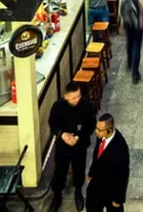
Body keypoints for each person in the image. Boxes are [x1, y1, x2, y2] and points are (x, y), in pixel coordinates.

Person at [49, 81, 97, 212]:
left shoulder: (86, 105)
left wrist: (78, 137)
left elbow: (91, 125)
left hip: (79, 144)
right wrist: (62, 134)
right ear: (66, 97)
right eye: (74, 97)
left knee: (79, 169)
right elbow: (53, 124)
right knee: (60, 171)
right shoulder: (58, 106)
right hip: (63, 145)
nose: (77, 99)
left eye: (79, 96)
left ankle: (78, 192)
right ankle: (57, 195)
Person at [86, 113, 130, 212]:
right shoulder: (101, 136)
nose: (96, 132)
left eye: (99, 130)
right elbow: (97, 155)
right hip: (97, 184)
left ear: (109, 130)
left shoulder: (120, 147)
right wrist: (91, 173)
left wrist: (119, 199)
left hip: (111, 190)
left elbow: (123, 174)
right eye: (96, 128)